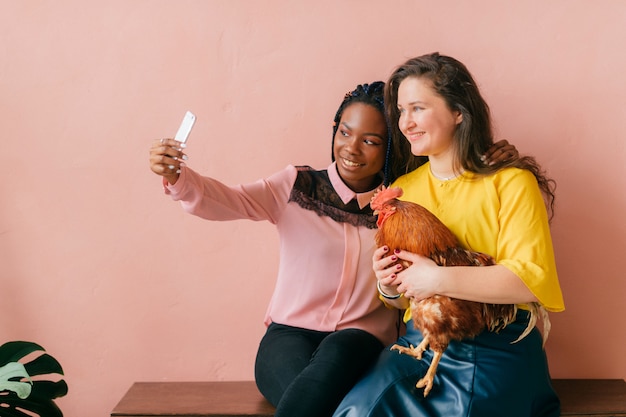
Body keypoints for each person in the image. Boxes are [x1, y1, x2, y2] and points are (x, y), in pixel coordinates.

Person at [149, 81, 518, 417]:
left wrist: (488, 159)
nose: (352, 148)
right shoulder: (297, 185)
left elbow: (453, 182)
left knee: (333, 366)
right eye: (345, 132)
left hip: (359, 341)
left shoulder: (404, 200)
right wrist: (177, 177)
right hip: (288, 335)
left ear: (389, 148)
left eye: (371, 141)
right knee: (316, 400)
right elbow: (228, 200)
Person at [332, 53, 565, 417]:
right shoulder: (403, 189)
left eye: (418, 108)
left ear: (458, 111)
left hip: (495, 345)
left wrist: (435, 277)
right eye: (401, 110)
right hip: (418, 343)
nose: (405, 122)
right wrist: (389, 286)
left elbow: (530, 281)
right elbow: (402, 302)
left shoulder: (511, 182)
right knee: (358, 410)